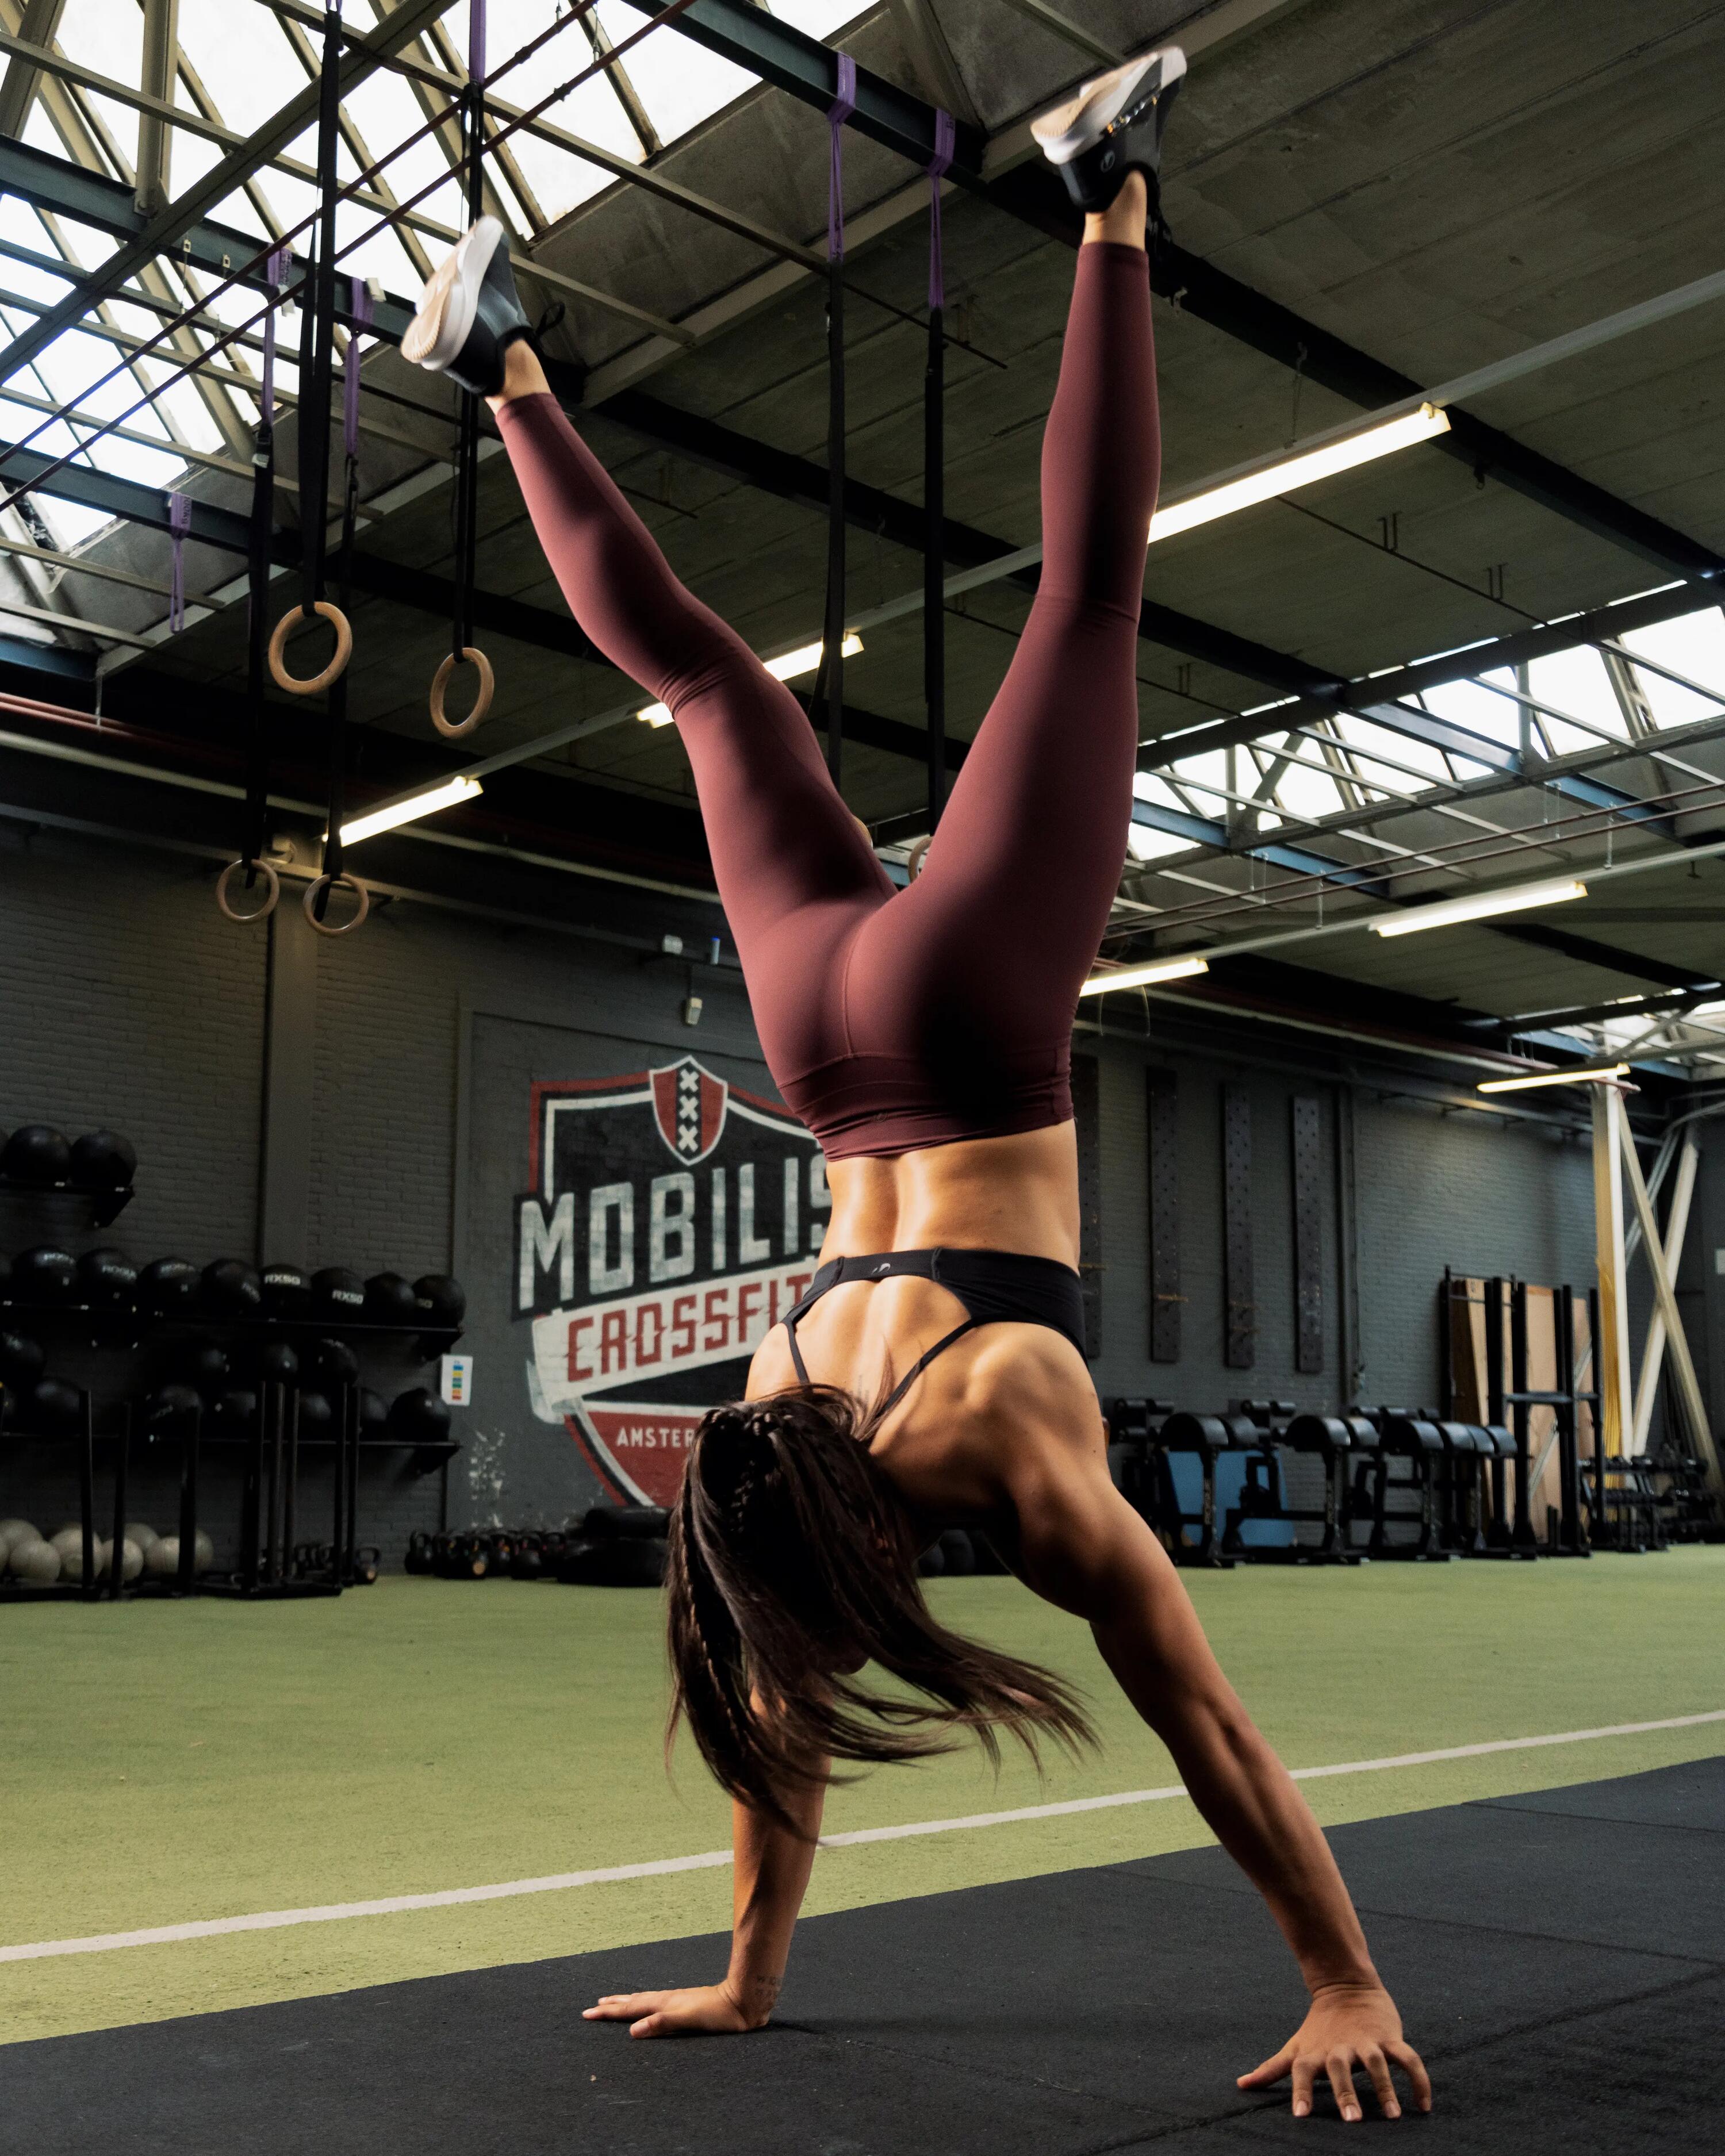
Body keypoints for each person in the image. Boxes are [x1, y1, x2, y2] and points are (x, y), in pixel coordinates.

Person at [405, 46, 1429, 2124]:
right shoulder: (764, 1420)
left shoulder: (991, 1443)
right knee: (707, 681)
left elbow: (1208, 1728)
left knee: (1092, 601)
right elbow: (772, 1720)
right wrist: (743, 1980)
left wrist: (1348, 1979)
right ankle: (504, 366)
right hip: (820, 1037)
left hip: (970, 1030)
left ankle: (1110, 193)